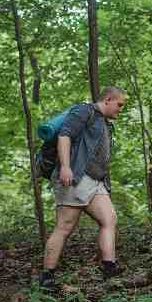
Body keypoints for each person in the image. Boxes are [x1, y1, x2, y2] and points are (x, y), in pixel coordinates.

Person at [38, 87, 127, 291]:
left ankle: (109, 267)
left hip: (95, 181)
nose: (120, 109)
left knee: (109, 219)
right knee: (65, 226)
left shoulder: (103, 121)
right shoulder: (83, 111)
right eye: (119, 104)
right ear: (107, 99)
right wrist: (66, 167)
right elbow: (64, 136)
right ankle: (47, 277)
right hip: (76, 177)